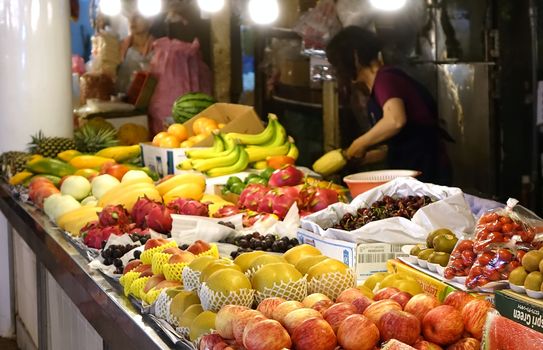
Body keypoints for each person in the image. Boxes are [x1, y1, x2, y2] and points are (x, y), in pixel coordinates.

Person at [326, 26, 453, 185]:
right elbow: (399, 144)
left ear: (355, 56)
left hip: (427, 170)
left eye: (338, 63)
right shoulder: (378, 86)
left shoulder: (385, 79)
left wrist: (358, 144)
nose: (339, 71)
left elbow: (395, 121)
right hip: (411, 169)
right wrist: (358, 158)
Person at [116, 12, 155, 93]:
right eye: (129, 17)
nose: (132, 20)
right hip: (121, 101)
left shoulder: (159, 48)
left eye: (138, 17)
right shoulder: (120, 47)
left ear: (151, 20)